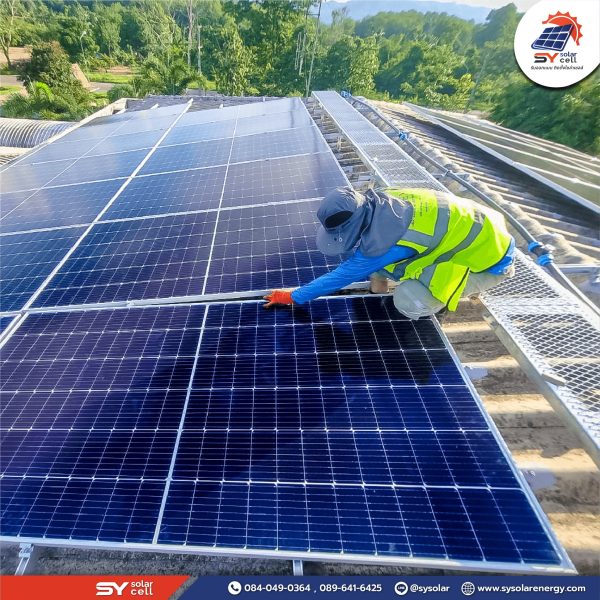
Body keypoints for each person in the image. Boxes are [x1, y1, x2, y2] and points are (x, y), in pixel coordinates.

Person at [263, 186, 515, 319]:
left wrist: (293, 296)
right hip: (478, 226)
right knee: (379, 266)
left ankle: (433, 305)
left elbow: (341, 276)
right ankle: (378, 295)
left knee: (407, 300)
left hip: (486, 262)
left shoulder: (388, 242)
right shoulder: (385, 198)